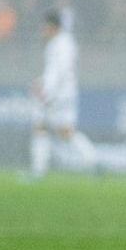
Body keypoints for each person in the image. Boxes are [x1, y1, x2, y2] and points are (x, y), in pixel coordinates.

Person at [28, 10, 95, 178]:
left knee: (41, 126)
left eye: (44, 26)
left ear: (52, 26)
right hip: (63, 93)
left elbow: (60, 72)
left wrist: (47, 92)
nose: (42, 30)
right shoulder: (63, 42)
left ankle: (38, 172)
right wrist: (41, 82)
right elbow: (55, 72)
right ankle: (92, 161)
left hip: (59, 94)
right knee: (64, 131)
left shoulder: (60, 44)